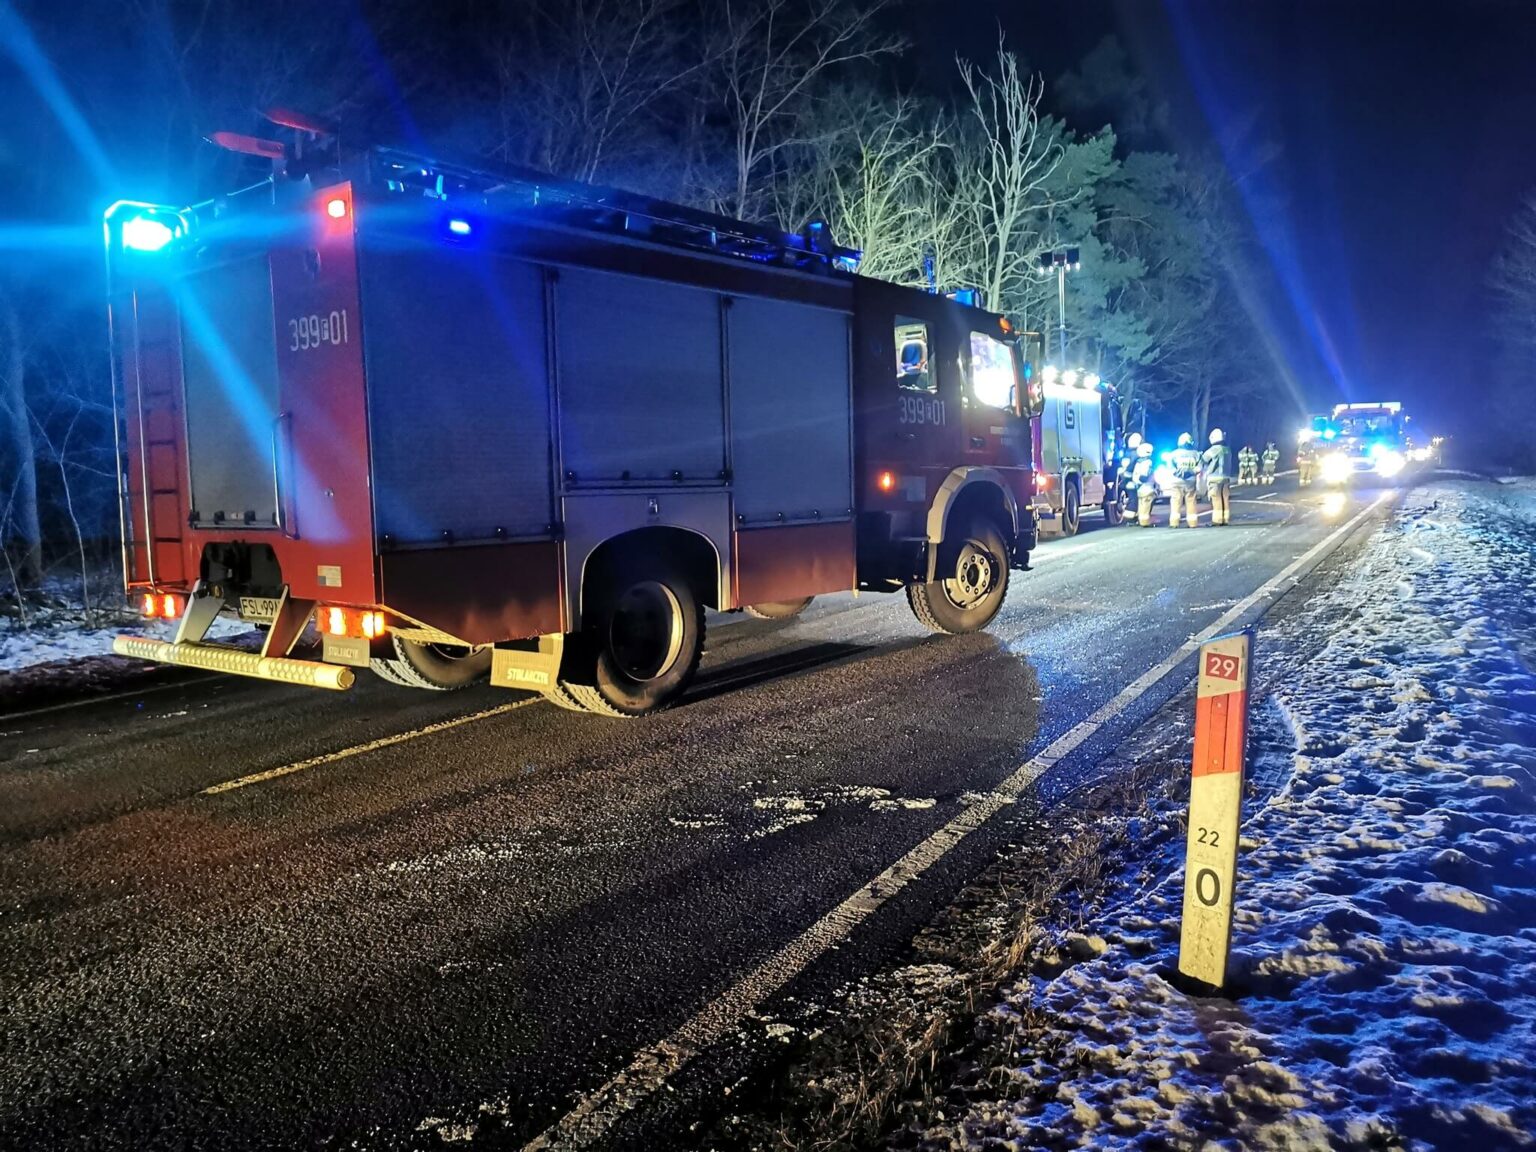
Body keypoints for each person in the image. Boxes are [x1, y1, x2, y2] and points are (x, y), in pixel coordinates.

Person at [1169, 432, 1202, 527]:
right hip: (1190, 481)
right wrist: (1190, 472)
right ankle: (1192, 523)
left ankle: (1174, 523)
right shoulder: (1196, 454)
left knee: (1175, 501)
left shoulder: (1173, 454)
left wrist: (1180, 473)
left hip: (1176, 481)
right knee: (1191, 500)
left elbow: (1171, 468)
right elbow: (1199, 468)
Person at [1202, 428, 1234, 525]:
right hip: (1226, 478)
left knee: (1216, 499)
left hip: (1214, 478)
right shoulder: (1227, 449)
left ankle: (1217, 520)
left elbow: (1204, 459)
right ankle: (1225, 519)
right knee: (1225, 498)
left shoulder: (1213, 449)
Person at [1131, 440, 1157, 527]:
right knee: (1146, 506)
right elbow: (1145, 475)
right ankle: (1145, 522)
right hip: (1147, 487)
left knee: (1141, 505)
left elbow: (1136, 476)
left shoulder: (1138, 462)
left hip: (1140, 487)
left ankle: (1141, 520)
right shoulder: (1148, 462)